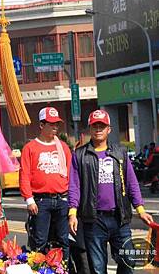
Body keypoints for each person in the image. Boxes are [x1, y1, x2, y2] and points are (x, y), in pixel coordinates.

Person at [68, 110, 154, 274]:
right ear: (90, 129)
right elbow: (74, 186)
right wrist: (72, 213)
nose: (98, 129)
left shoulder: (120, 153)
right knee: (98, 268)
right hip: (93, 220)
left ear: (109, 129)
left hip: (119, 218)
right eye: (95, 126)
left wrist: (140, 209)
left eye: (102, 126)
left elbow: (131, 183)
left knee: (128, 261)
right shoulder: (79, 155)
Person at [20, 107, 72, 260]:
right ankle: (41, 268)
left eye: (57, 124)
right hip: (41, 201)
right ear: (42, 125)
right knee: (40, 241)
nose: (55, 127)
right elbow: (24, 175)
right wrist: (29, 200)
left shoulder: (63, 147)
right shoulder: (30, 148)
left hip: (62, 200)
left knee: (64, 240)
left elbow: (71, 173)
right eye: (51, 124)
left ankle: (63, 268)